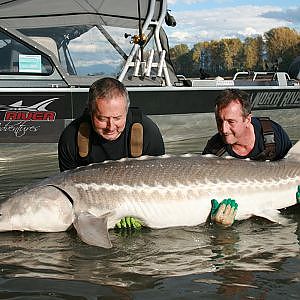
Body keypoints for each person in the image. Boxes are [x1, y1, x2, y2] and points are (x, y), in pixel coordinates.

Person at [58, 77, 165, 171]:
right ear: (90, 112)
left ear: (126, 111)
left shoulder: (147, 132)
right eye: (102, 119)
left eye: (117, 118)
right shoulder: (71, 138)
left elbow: (158, 179)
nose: (111, 127)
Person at [203, 89, 292, 160]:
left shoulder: (273, 135)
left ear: (247, 120)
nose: (224, 129)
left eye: (231, 122)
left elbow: (293, 162)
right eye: (219, 121)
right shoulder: (214, 150)